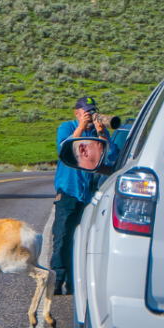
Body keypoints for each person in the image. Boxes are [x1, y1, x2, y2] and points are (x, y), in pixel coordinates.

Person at [51, 96, 117, 296]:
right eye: (86, 111)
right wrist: (80, 127)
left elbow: (113, 158)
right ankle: (56, 280)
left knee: (83, 239)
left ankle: (73, 282)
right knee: (62, 235)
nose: (89, 115)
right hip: (69, 188)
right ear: (77, 113)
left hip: (89, 192)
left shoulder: (98, 135)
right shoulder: (67, 126)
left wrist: (103, 134)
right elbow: (63, 148)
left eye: (92, 111)